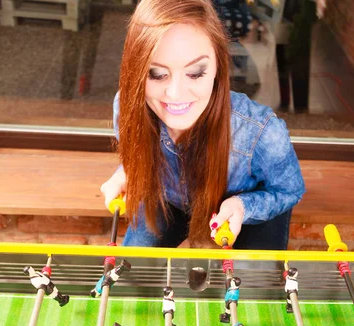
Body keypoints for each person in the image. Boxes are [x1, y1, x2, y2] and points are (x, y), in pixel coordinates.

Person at [100, 0, 305, 250]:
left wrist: (243, 206)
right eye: (156, 74)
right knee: (129, 277)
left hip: (246, 215)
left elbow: (289, 190)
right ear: (135, 69)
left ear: (219, 65)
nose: (175, 94)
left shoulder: (262, 133)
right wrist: (128, 172)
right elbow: (135, 158)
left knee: (254, 288)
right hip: (170, 203)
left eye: (195, 73)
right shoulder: (127, 105)